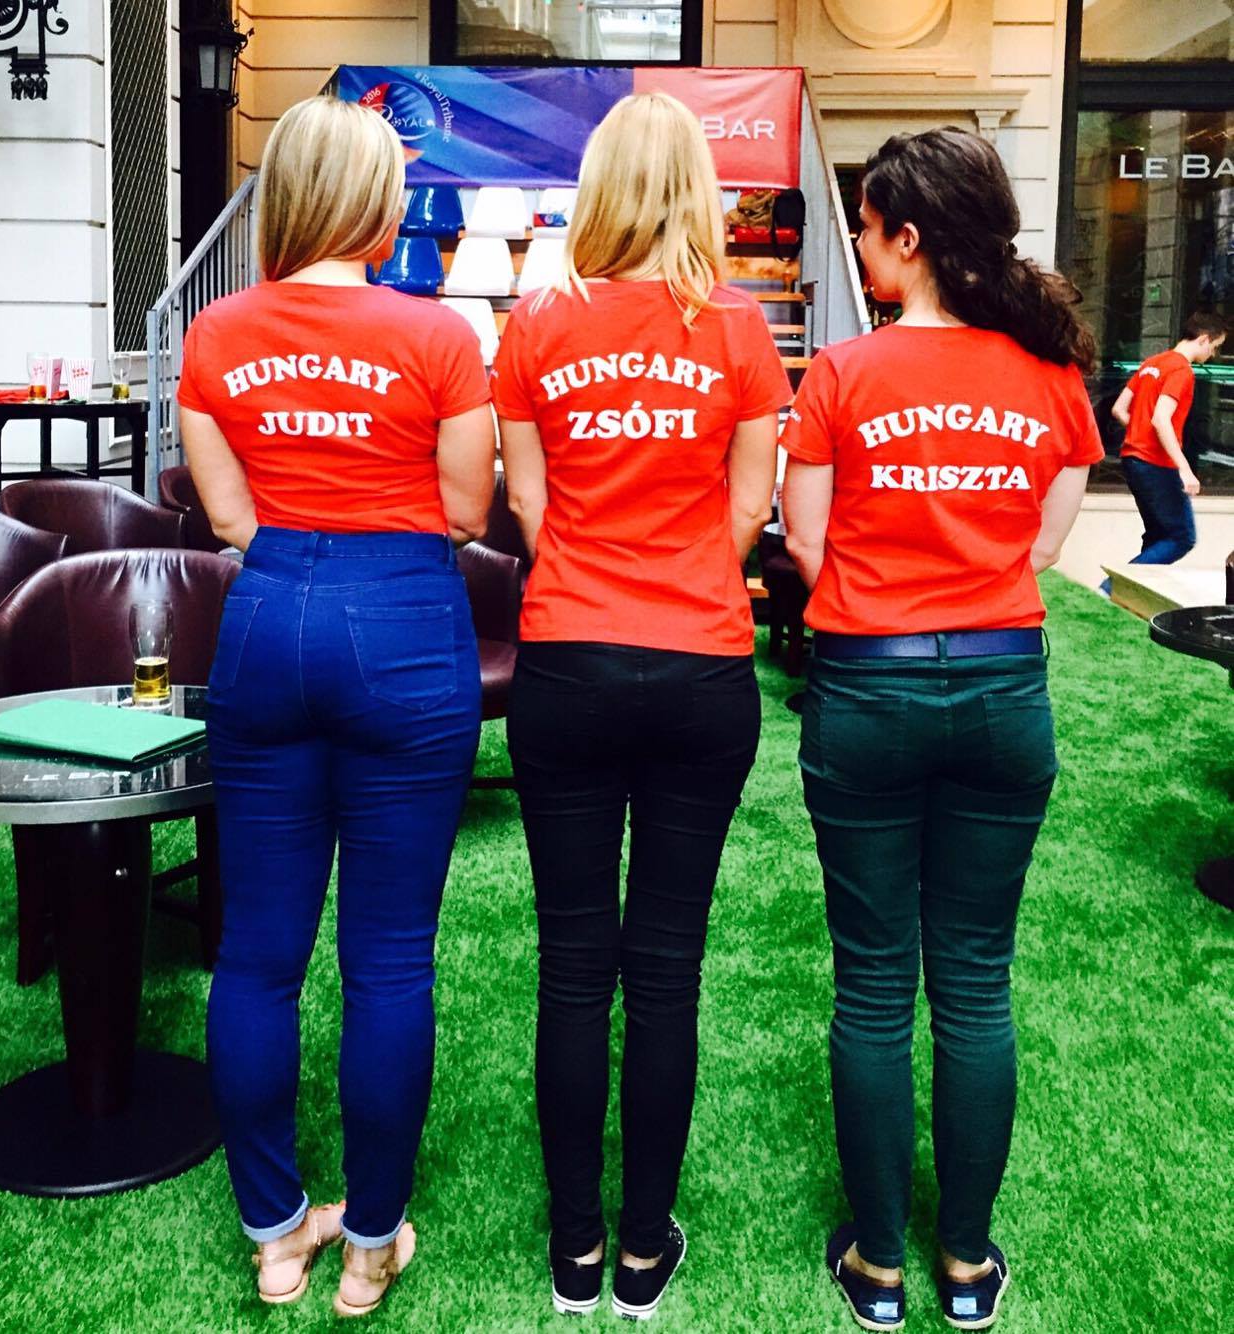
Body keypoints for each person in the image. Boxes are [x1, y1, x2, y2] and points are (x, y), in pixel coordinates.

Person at [780, 128, 1102, 1331]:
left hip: (867, 687)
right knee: (972, 979)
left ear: (906, 236)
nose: (861, 246)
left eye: (866, 227)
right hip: (1001, 686)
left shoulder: (842, 373)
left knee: (872, 983)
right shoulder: (1050, 373)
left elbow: (802, 541)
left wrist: (888, 597)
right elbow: (1044, 546)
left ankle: (877, 1268)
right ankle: (964, 1263)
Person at [176, 97, 494, 1316]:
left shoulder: (217, 332)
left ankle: (274, 1237)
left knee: (258, 954)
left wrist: (307, 540)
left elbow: (227, 514)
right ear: (373, 202)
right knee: (387, 957)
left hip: (268, 614)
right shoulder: (436, 333)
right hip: (402, 619)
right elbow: (464, 508)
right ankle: (367, 1244)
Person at [492, 91, 788, 1322]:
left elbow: (525, 504)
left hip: (567, 660)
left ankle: (574, 1247)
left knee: (573, 965)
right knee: (665, 969)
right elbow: (747, 513)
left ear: (600, 187)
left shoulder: (535, 321)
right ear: (698, 192)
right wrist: (678, 578)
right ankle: (642, 1248)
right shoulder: (740, 329)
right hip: (698, 666)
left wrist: (592, 573)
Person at [1106, 313, 1227, 585]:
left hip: (1133, 460)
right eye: (1215, 346)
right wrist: (1185, 469)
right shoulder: (1181, 370)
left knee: (1158, 537)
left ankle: (1129, 595)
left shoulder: (1152, 363)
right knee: (1181, 537)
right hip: (1157, 463)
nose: (1213, 354)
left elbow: (1119, 409)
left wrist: (1140, 431)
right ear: (1203, 339)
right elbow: (1161, 419)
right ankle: (1112, 587)